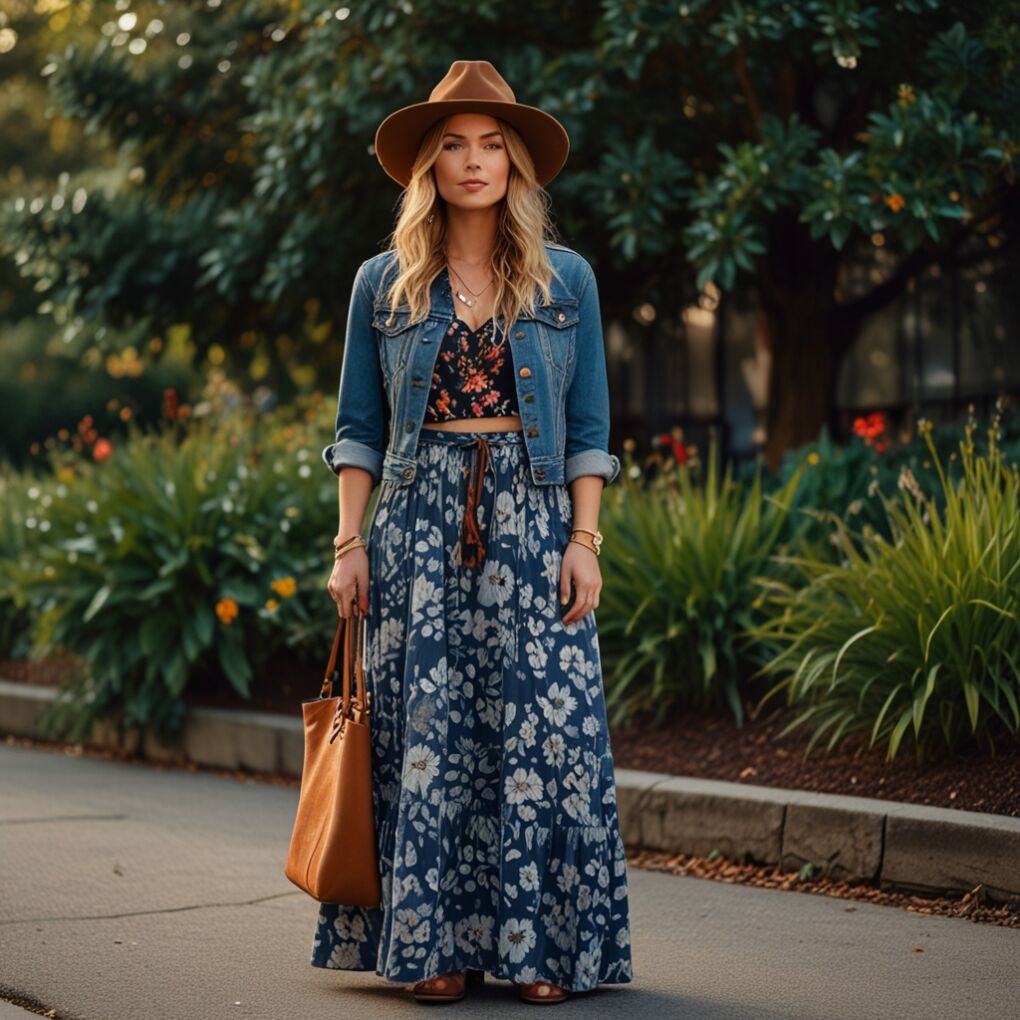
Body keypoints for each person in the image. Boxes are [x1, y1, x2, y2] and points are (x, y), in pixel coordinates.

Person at [312, 59, 633, 1005]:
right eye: (453, 143)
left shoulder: (565, 278)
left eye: (492, 144)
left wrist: (586, 540)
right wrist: (349, 542)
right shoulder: (384, 283)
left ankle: (543, 951)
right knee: (430, 736)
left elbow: (587, 429)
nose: (474, 160)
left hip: (534, 523)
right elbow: (358, 428)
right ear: (428, 166)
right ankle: (434, 948)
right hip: (418, 527)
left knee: (548, 731)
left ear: (518, 164)